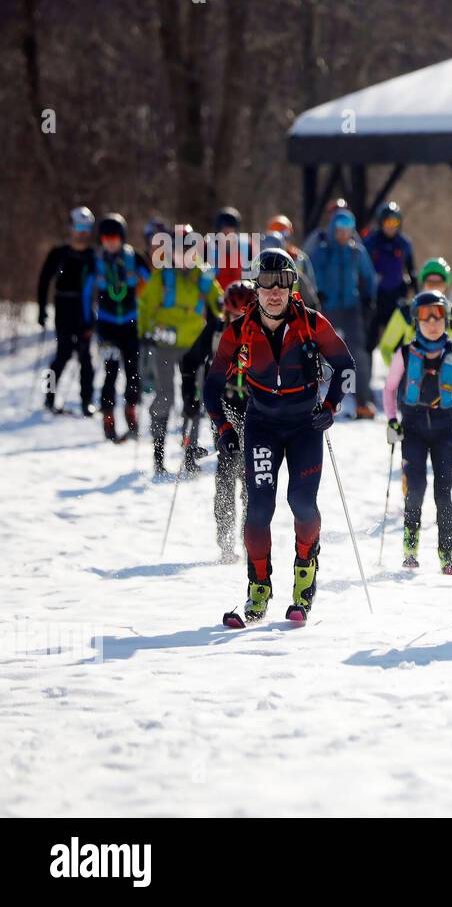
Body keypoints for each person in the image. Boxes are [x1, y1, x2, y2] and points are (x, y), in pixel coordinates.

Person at [207, 249, 356, 626]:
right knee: (259, 509)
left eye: (283, 282)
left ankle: (304, 579)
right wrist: (223, 427)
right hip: (262, 425)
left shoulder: (311, 323)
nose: (275, 291)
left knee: (301, 503)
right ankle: (258, 589)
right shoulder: (239, 329)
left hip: (306, 424)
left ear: (292, 285)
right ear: (255, 288)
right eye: (267, 283)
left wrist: (331, 406)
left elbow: (346, 366)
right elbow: (211, 386)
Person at [383, 290, 452, 573]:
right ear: (416, 320)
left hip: (444, 428)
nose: (432, 321)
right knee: (415, 489)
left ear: (447, 318)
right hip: (414, 428)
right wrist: (392, 420)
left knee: (444, 493)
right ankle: (410, 546)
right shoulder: (405, 353)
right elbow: (390, 388)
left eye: (438, 314)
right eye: (425, 315)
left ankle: (447, 552)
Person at [138, 223, 221, 478]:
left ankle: (190, 453)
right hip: (165, 346)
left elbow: (219, 304)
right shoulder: (162, 276)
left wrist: (223, 323)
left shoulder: (203, 275)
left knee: (193, 400)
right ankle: (159, 453)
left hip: (194, 348)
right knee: (165, 397)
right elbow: (146, 305)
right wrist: (144, 333)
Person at [182, 279, 256, 562]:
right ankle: (225, 542)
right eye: (233, 315)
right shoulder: (214, 331)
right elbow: (189, 362)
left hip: (254, 411)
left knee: (252, 479)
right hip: (223, 410)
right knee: (226, 473)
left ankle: (252, 541)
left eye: (242, 315)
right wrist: (190, 394)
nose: (237, 320)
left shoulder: (261, 331)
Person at [306, 207, 378, 417]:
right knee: (314, 353)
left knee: (358, 354)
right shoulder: (321, 250)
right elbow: (309, 274)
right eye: (340, 228)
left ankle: (362, 402)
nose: (344, 233)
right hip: (326, 308)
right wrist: (316, 295)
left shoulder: (356, 251)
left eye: (349, 228)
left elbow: (370, 276)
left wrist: (368, 298)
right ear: (332, 228)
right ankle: (310, 402)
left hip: (350, 307)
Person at [84, 213, 145, 442]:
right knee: (110, 372)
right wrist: (87, 320)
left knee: (133, 373)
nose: (110, 241)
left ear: (122, 237)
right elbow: (86, 291)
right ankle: (108, 418)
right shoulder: (95, 260)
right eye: (106, 237)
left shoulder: (134, 258)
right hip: (107, 326)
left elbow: (150, 288)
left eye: (114, 237)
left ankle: (131, 412)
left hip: (131, 324)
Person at [37, 206, 98, 415]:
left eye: (87, 228)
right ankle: (49, 397)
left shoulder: (92, 255)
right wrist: (42, 308)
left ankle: (86, 401)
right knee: (62, 354)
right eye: (79, 226)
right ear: (71, 227)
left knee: (85, 357)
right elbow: (44, 280)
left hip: (84, 310)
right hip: (63, 308)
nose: (82, 232)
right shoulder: (58, 253)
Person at [379, 258, 452, 366]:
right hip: (412, 377)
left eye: (439, 283)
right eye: (430, 283)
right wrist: (399, 372)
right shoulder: (405, 313)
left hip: (445, 379)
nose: (434, 288)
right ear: (423, 284)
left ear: (445, 285)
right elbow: (386, 348)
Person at [363, 200, 416, 356]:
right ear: (381, 222)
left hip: (396, 295)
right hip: (376, 297)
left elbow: (411, 269)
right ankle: (366, 375)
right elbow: (362, 269)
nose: (391, 226)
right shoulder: (371, 243)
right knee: (370, 340)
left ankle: (399, 372)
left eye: (395, 221)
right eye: (388, 221)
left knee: (399, 340)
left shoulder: (404, 243)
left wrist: (415, 289)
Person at [265, 215, 320, 309]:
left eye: (285, 236)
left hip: (295, 310)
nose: (283, 241)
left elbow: (311, 288)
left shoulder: (300, 258)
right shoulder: (260, 262)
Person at [209, 207, 247, 290]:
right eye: (225, 232)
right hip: (217, 298)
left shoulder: (244, 249)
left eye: (231, 232)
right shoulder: (210, 250)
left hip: (237, 297)